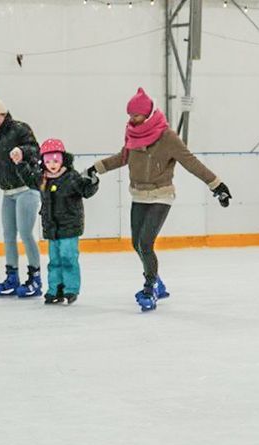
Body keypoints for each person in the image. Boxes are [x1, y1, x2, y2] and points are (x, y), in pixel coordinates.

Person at [88, 87, 232, 312]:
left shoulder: (167, 137)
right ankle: (156, 279)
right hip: (139, 194)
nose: (132, 119)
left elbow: (191, 162)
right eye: (130, 115)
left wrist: (217, 185)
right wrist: (96, 168)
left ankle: (150, 286)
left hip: (161, 195)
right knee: (136, 243)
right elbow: (123, 157)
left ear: (147, 114)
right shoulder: (132, 134)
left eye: (136, 115)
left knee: (145, 243)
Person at [12, 138, 99, 305]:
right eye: (48, 161)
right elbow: (29, 179)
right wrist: (20, 164)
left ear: (63, 159)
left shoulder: (71, 177)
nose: (52, 164)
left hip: (70, 227)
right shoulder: (43, 179)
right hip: (52, 228)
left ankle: (70, 289)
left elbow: (86, 190)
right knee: (54, 261)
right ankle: (55, 289)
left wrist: (92, 181)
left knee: (68, 258)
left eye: (56, 160)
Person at [0, 87, 43, 298]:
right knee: (8, 235)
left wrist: (22, 151)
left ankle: (35, 278)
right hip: (8, 193)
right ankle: (12, 277)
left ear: (4, 113)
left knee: (26, 233)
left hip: (27, 189)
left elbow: (35, 149)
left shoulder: (20, 129)